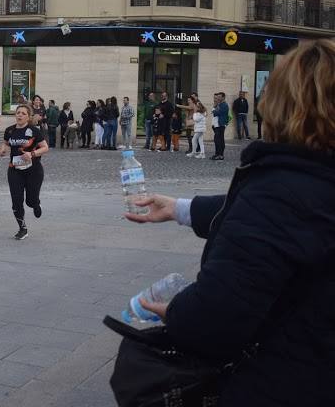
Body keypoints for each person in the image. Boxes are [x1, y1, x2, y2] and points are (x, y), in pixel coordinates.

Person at [122, 39, 335, 407]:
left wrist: (175, 312)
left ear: (283, 104)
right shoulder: (311, 181)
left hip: (286, 381)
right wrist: (180, 208)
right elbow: (288, 217)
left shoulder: (280, 190)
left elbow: (215, 319)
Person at [0, 103, 49, 240]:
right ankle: (22, 228)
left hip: (33, 170)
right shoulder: (10, 130)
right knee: (16, 200)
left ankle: (35, 203)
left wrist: (32, 154)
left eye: (23, 113)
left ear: (28, 117)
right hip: (15, 170)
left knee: (30, 201)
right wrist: (3, 149)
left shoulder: (33, 130)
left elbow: (45, 148)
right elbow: (6, 142)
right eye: (18, 112)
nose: (20, 115)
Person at [211, 92, 229, 160]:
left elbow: (216, 113)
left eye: (219, 97)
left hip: (221, 125)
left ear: (223, 97)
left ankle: (220, 155)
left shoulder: (224, 105)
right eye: (217, 97)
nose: (218, 98)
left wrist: (215, 110)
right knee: (217, 140)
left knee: (219, 140)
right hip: (217, 125)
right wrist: (215, 108)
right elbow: (214, 112)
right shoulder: (220, 104)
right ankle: (217, 154)